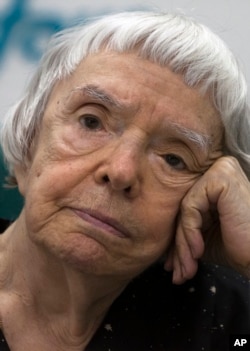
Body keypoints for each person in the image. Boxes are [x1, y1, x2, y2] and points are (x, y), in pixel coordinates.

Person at [0, 11, 249, 351]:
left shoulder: (228, 321)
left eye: (173, 159)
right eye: (90, 122)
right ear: (28, 137)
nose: (120, 171)